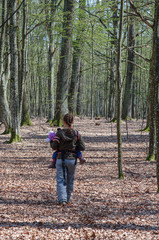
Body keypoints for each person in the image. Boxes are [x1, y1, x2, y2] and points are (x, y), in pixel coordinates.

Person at [50, 113, 85, 206]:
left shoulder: (59, 133)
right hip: (72, 159)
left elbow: (54, 147)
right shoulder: (76, 134)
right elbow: (82, 147)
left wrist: (51, 141)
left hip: (60, 158)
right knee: (70, 179)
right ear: (72, 122)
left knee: (60, 179)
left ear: (63, 122)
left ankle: (62, 200)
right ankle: (67, 198)